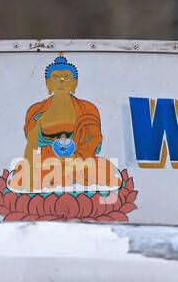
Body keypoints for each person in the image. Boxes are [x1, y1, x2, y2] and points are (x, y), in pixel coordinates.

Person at [19, 57, 118, 191]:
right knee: (23, 173)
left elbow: (94, 139)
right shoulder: (37, 111)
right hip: (49, 164)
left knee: (105, 169)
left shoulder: (88, 108)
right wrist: (29, 177)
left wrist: (76, 157)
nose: (61, 81)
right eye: (55, 78)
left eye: (66, 78)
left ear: (74, 83)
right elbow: (31, 146)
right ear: (48, 84)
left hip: (82, 163)